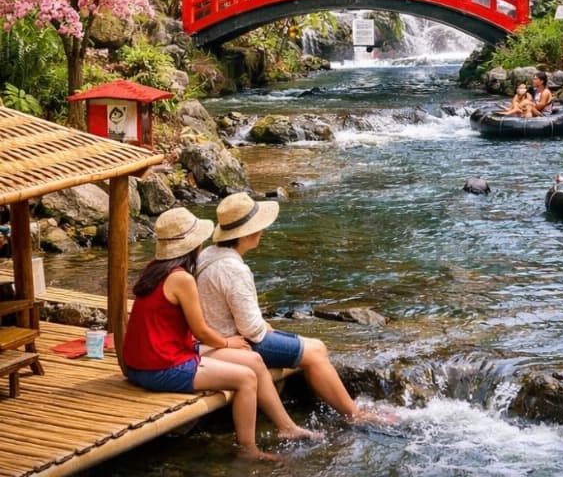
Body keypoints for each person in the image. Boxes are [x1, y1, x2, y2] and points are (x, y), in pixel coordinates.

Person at [122, 207, 317, 462]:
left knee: (255, 361)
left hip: (141, 362)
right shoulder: (181, 279)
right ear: (194, 245)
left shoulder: (155, 269)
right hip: (160, 367)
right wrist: (228, 342)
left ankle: (287, 428)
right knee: (246, 379)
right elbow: (200, 330)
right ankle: (249, 450)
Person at [197, 193, 389, 425]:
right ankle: (354, 414)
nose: (263, 231)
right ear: (248, 234)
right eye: (259, 228)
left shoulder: (208, 255)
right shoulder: (233, 269)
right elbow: (253, 331)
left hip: (215, 336)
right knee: (316, 352)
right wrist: (265, 325)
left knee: (315, 347)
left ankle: (343, 407)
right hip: (236, 340)